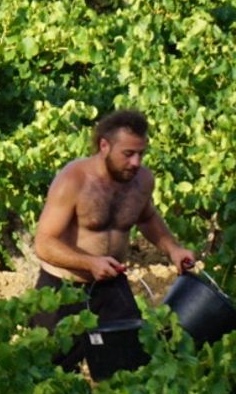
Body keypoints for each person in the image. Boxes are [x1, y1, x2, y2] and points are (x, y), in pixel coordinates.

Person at [30, 108, 197, 363]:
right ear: (104, 145)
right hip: (62, 289)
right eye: (128, 154)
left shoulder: (142, 181)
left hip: (111, 286)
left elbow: (147, 217)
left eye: (141, 153)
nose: (136, 162)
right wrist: (90, 263)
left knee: (130, 364)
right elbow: (43, 243)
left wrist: (173, 249)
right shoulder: (73, 180)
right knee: (52, 370)